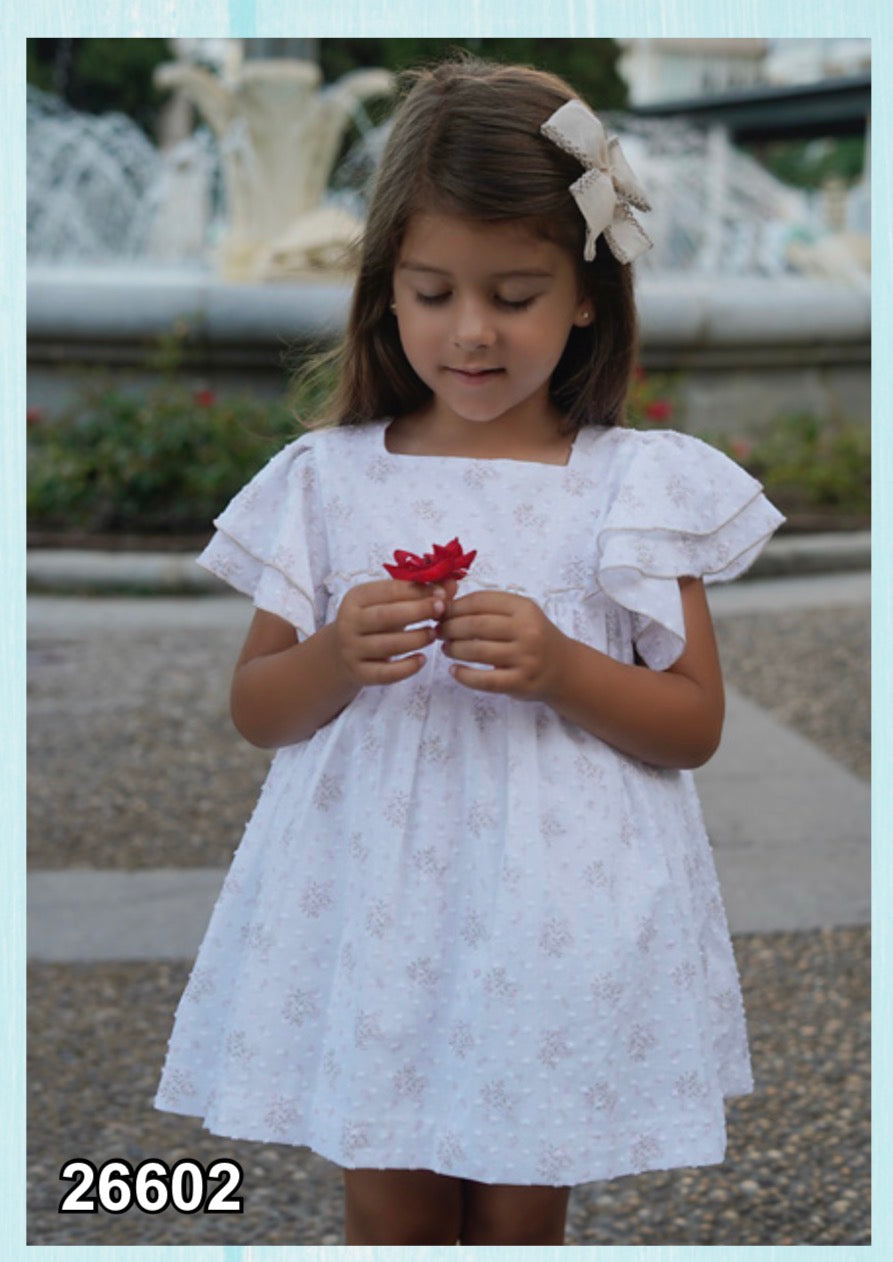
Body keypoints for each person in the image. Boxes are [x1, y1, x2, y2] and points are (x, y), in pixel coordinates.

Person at [155, 57, 784, 1245]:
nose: (472, 330)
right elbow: (258, 707)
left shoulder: (632, 486)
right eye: (433, 291)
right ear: (385, 289)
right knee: (388, 1204)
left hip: (551, 925)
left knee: (516, 1207)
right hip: (374, 915)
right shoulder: (328, 478)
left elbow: (691, 722)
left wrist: (563, 666)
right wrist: (334, 654)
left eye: (515, 293)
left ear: (586, 293)